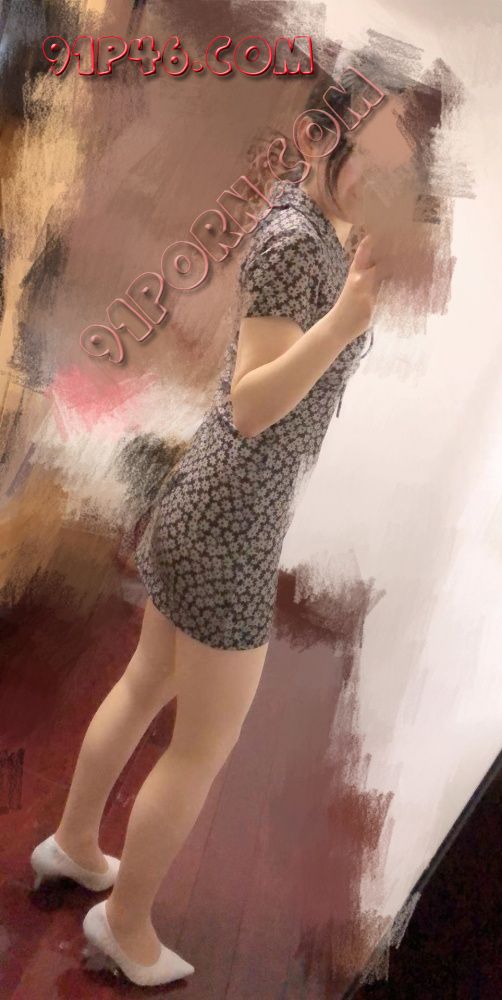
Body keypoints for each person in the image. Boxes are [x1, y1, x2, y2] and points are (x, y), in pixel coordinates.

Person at [29, 79, 409, 987]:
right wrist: (347, 321)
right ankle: (124, 925)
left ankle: (74, 847)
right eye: (373, 161)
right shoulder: (294, 240)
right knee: (201, 745)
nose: (385, 183)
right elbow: (251, 405)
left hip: (211, 503)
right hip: (230, 518)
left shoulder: (315, 225)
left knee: (144, 682)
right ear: (318, 139)